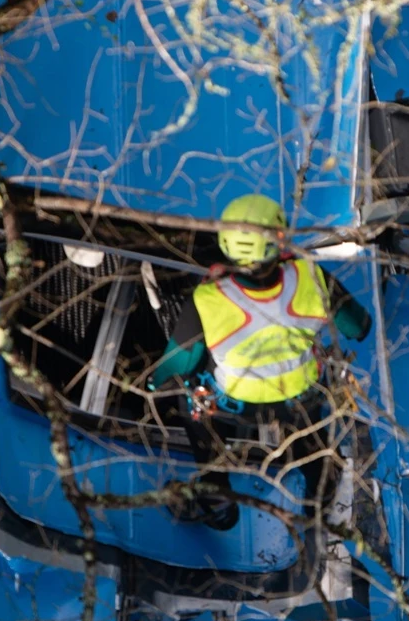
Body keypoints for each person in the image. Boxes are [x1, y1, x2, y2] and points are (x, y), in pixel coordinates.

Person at [146, 193, 372, 529]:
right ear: (279, 239)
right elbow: (359, 327)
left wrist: (152, 383)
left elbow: (179, 363)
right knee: (312, 439)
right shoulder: (311, 277)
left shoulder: (208, 298)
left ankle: (219, 503)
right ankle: (321, 503)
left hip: (235, 404)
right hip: (300, 399)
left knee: (194, 408)